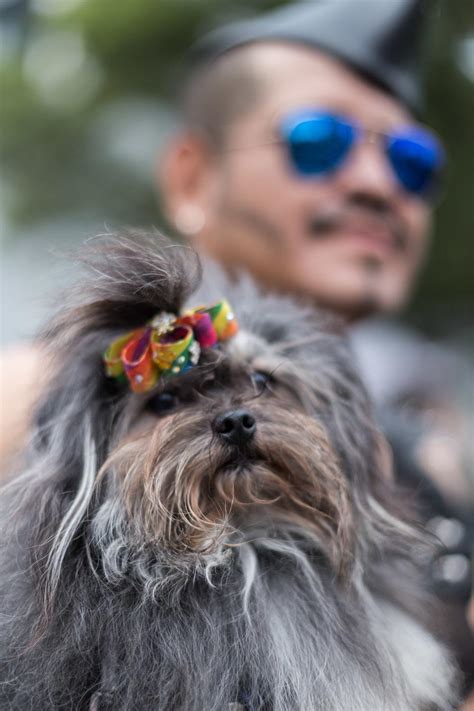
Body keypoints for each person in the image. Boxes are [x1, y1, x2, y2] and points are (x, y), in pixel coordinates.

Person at [1, 0, 473, 700]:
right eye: (321, 141)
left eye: (412, 162)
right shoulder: (32, 395)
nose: (378, 185)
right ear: (192, 175)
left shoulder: (425, 451)